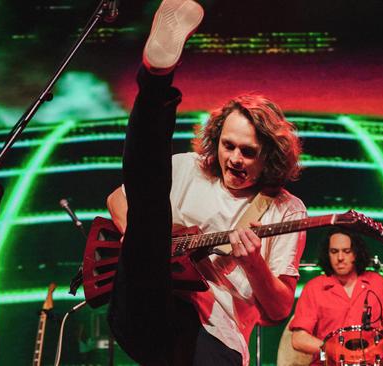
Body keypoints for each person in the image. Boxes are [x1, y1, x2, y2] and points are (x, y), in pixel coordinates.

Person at [105, 1, 307, 364]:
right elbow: (118, 200)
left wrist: (254, 264)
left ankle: (156, 77)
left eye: (248, 152)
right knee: (148, 202)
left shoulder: (286, 209)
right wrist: (150, 241)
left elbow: (277, 311)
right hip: (148, 303)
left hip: (217, 332)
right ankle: (157, 77)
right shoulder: (189, 167)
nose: (234, 159)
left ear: (270, 157)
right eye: (227, 145)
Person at [290, 228, 383, 365]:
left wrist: (378, 347)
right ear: (327, 254)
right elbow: (298, 339)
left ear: (356, 253)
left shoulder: (378, 283)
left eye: (346, 251)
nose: (340, 258)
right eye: (334, 252)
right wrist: (331, 348)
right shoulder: (314, 288)